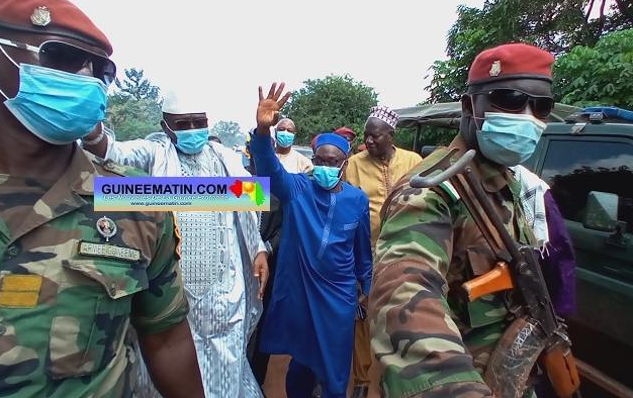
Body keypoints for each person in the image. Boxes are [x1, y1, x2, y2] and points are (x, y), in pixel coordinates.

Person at [0, 0, 204, 397]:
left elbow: (167, 338)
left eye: (100, 70)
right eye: (63, 57)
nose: (86, 78)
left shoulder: (136, 197)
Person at [370, 43, 576, 398]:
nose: (527, 117)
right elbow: (404, 294)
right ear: (469, 106)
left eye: (541, 107)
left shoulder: (507, 181)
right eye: (510, 100)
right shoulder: (431, 190)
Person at [82, 92, 269, 397]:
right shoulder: (154, 153)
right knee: (172, 366)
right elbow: (111, 153)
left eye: (199, 122)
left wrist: (258, 248)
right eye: (183, 124)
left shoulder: (226, 158)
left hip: (224, 291)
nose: (193, 129)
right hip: (172, 291)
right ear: (166, 127)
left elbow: (252, 201)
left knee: (228, 367)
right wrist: (92, 132)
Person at [252, 82, 373, 398]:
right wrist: (263, 131)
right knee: (301, 364)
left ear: (344, 164)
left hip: (339, 294)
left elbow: (362, 251)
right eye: (320, 160)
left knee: (335, 368)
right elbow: (267, 168)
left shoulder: (357, 200)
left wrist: (367, 288)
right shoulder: (297, 189)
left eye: (332, 162)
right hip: (301, 291)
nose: (325, 166)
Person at [343, 106, 422, 397]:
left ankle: (400, 379)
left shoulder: (413, 161)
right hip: (366, 255)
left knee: (404, 315)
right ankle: (362, 381)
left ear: (391, 135)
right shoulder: (353, 164)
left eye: (375, 136)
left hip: (406, 252)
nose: (369, 141)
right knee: (362, 316)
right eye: (366, 135)